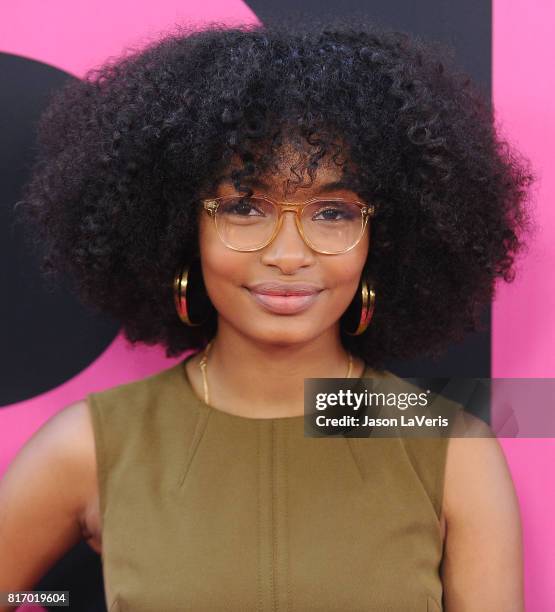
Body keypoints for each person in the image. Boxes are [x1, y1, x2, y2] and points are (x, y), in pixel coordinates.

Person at [1, 16, 532, 611]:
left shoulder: (451, 449)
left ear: (381, 236)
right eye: (245, 207)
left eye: (333, 212)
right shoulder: (92, 445)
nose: (287, 254)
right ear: (183, 226)